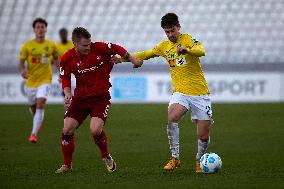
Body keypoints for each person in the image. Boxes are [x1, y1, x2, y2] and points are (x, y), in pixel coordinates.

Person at [120, 13, 213, 173]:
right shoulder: (164, 46)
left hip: (200, 93)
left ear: (179, 27)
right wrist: (122, 58)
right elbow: (145, 54)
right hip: (180, 93)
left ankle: (199, 160)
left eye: (173, 30)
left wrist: (187, 50)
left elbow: (201, 50)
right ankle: (175, 158)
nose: (170, 35)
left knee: (203, 136)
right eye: (167, 32)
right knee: (172, 117)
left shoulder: (189, 39)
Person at [55, 27, 143, 173]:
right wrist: (67, 92)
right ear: (74, 43)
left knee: (95, 130)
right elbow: (64, 77)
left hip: (100, 97)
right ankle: (67, 165)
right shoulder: (67, 58)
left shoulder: (99, 48)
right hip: (80, 99)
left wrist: (132, 59)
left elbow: (116, 48)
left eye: (89, 44)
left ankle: (106, 156)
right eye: (84, 46)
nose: (88, 48)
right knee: (67, 129)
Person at [19, 18, 59, 143]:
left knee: (40, 103)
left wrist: (62, 73)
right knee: (33, 107)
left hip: (45, 79)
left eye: (42, 27)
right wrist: (22, 71)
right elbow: (21, 61)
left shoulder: (51, 45)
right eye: (38, 27)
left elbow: (57, 60)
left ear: (46, 29)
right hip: (31, 81)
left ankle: (33, 134)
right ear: (34, 29)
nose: (40, 29)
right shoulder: (28, 45)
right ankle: (38, 120)